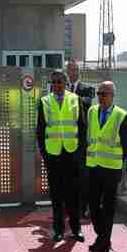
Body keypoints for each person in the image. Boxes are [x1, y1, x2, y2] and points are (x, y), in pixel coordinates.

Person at [36, 69, 87, 242]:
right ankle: (58, 229)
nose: (57, 85)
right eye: (54, 82)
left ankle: (76, 229)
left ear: (66, 83)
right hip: (53, 155)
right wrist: (45, 154)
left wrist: (80, 153)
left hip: (72, 154)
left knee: (74, 193)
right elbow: (40, 131)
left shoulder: (75, 99)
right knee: (56, 194)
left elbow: (82, 128)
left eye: (60, 82)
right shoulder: (44, 102)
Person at [86, 81, 127, 252]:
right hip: (93, 166)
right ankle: (102, 235)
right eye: (99, 93)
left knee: (108, 207)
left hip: (111, 169)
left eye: (104, 93)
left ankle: (105, 242)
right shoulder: (92, 111)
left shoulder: (122, 116)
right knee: (92, 205)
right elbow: (89, 138)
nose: (100, 97)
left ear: (113, 95)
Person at [66, 61, 94, 218]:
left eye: (76, 69)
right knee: (67, 175)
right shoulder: (59, 89)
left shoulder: (87, 89)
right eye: (70, 70)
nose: (73, 72)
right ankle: (69, 206)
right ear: (67, 71)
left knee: (83, 175)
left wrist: (67, 96)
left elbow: (87, 103)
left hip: (81, 139)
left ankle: (83, 207)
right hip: (65, 138)